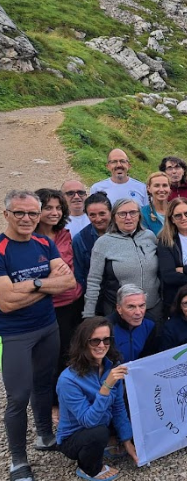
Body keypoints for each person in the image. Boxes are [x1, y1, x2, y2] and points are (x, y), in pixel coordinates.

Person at [0, 190, 76, 481]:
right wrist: (46, 284)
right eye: (19, 212)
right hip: (14, 334)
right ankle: (18, 460)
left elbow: (68, 282)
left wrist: (30, 284)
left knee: (44, 386)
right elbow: (5, 303)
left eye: (33, 213)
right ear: (7, 214)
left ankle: (44, 435)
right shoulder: (1, 248)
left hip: (47, 327)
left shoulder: (44, 241)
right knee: (18, 396)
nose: (27, 218)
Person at [56, 316, 138, 481]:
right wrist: (106, 386)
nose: (102, 346)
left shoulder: (111, 365)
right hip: (74, 435)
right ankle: (89, 469)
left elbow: (118, 407)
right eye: (95, 341)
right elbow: (88, 421)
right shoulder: (68, 380)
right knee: (98, 432)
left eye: (106, 340)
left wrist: (127, 440)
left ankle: (113, 442)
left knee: (132, 407)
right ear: (83, 343)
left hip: (102, 423)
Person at [35, 189, 85, 420]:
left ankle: (72, 393)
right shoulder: (30, 238)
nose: (54, 213)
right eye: (48, 208)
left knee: (72, 349)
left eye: (57, 208)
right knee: (52, 355)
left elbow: (71, 270)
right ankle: (53, 402)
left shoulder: (65, 234)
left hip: (74, 301)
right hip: (49, 305)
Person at [83, 198, 162, 324]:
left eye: (133, 212)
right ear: (114, 217)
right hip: (120, 313)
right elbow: (93, 281)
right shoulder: (103, 243)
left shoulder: (149, 236)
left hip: (153, 309)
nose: (128, 217)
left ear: (139, 215)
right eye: (122, 214)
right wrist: (88, 315)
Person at [72, 192, 112, 293]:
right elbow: (79, 273)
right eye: (92, 215)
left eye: (102, 214)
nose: (98, 219)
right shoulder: (80, 240)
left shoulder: (123, 233)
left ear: (111, 212)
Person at [108, 284, 158, 363]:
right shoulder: (107, 328)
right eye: (131, 307)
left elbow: (149, 356)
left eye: (142, 306)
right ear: (119, 308)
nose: (138, 312)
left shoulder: (150, 324)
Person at [140, 171, 171, 236]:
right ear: (149, 188)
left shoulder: (176, 210)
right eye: (157, 186)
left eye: (165, 185)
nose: (161, 189)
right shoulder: (143, 213)